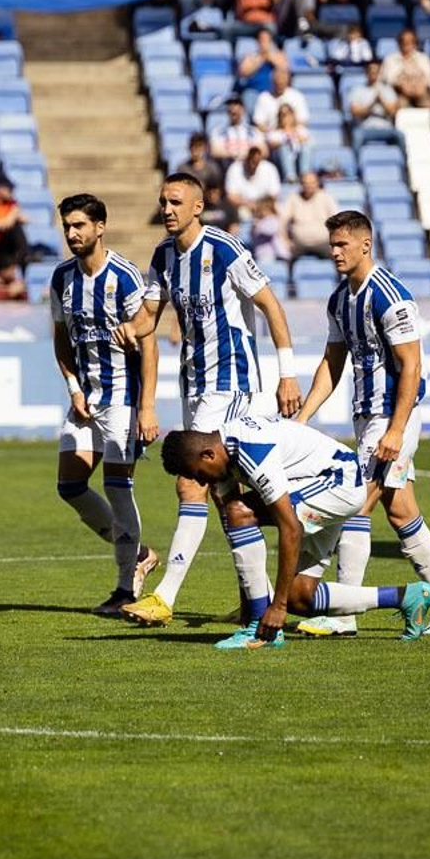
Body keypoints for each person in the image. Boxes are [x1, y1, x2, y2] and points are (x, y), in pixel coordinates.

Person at [112, 173, 302, 634]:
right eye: (163, 202)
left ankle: (166, 596)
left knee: (190, 483)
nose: (168, 209)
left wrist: (288, 372)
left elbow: (271, 306)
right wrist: (126, 328)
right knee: (227, 498)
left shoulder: (225, 250)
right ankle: (253, 604)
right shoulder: (162, 257)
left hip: (233, 382)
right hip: (194, 385)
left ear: (198, 206)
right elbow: (149, 317)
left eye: (176, 201)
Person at [159, 424, 430, 650]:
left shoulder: (250, 450)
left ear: (207, 455)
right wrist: (258, 600)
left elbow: (289, 527)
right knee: (300, 598)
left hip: (338, 483)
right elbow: (239, 536)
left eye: (200, 474)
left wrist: (276, 608)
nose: (204, 483)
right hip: (328, 483)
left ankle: (260, 630)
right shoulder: (222, 456)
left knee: (241, 512)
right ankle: (408, 596)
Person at [48, 193, 161, 617]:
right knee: (70, 486)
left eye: (79, 225)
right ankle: (141, 553)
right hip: (86, 399)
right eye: (67, 227)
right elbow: (62, 339)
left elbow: (148, 347)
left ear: (100, 227)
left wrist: (147, 409)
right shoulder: (62, 278)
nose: (72, 234)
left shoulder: (125, 278)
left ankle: (124, 589)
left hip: (123, 402)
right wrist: (74, 388)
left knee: (117, 488)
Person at [277, 171, 336, 260]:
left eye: (312, 183)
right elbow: (282, 221)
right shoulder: (293, 198)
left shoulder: (326, 198)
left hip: (323, 242)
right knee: (284, 257)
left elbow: (337, 223)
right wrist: (285, 241)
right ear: (301, 184)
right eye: (305, 183)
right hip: (298, 244)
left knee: (340, 257)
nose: (309, 186)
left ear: (317, 183)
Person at [347, 61, 403, 148]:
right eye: (371, 72)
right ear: (366, 73)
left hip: (386, 129)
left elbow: (393, 112)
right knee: (357, 136)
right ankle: (355, 160)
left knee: (400, 136)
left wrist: (381, 100)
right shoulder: (358, 90)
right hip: (365, 129)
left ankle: (403, 161)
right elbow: (354, 112)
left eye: (376, 72)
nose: (374, 75)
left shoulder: (388, 90)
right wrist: (372, 104)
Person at [380, 28, 430, 108]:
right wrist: (402, 86)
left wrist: (418, 88)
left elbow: (428, 78)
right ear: (399, 43)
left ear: (415, 43)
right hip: (398, 93)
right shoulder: (390, 59)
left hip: (421, 92)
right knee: (399, 105)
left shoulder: (423, 58)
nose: (406, 43)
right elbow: (388, 79)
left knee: (428, 104)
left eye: (410, 41)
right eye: (403, 41)